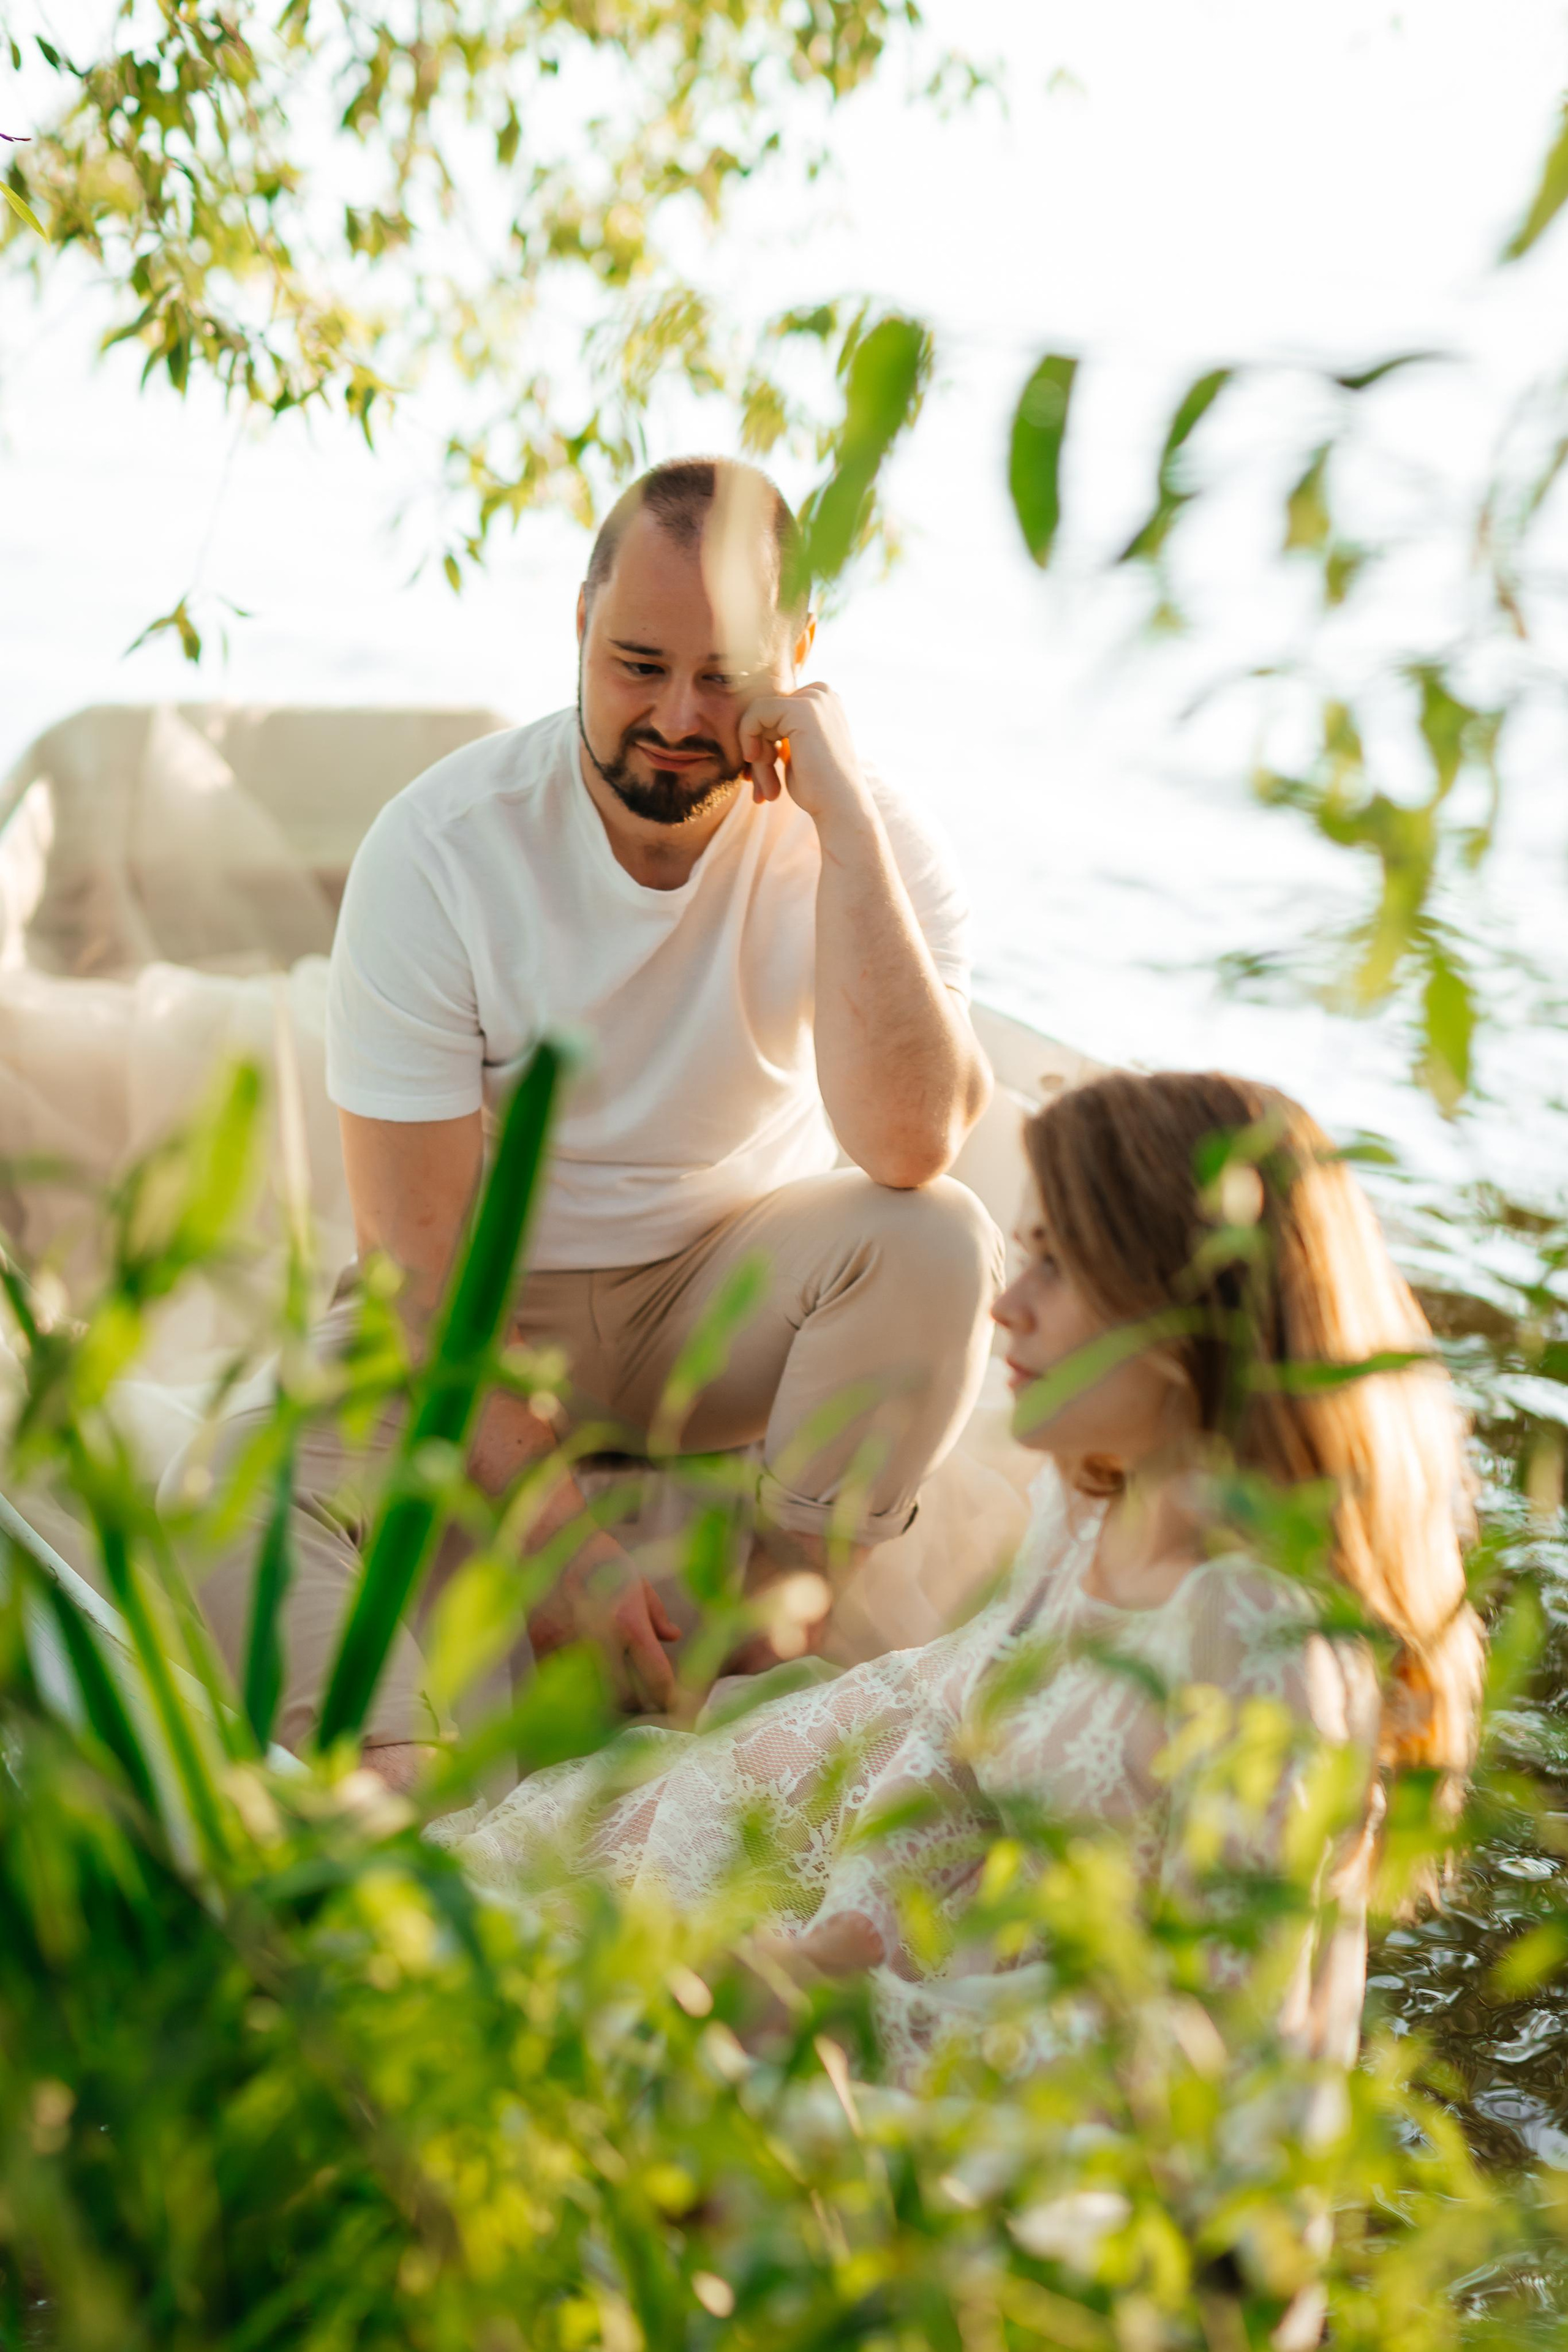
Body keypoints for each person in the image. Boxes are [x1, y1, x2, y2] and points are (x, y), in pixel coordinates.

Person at [169, 456, 1000, 1778]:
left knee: (938, 1240)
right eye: (635, 663)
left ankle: (750, 1642)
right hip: (489, 1307)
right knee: (221, 1495)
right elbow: (421, 1271)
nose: (673, 714)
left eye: (722, 675)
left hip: (720, 1312)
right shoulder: (441, 849)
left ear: (796, 662)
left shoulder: (866, 846)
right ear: (576, 627)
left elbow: (908, 1145)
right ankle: (401, 1795)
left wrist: (839, 816)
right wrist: (560, 1541)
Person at [440, 1069, 1485, 2078]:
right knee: (468, 1927)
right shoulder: (1089, 1503)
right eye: (1023, 1256)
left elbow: (1201, 2058)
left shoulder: (1265, 1645)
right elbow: (941, 1709)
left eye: (1058, 1268)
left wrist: (856, 2017)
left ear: (1186, 1318)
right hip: (886, 1903)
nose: (1006, 1308)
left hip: (991, 2077)